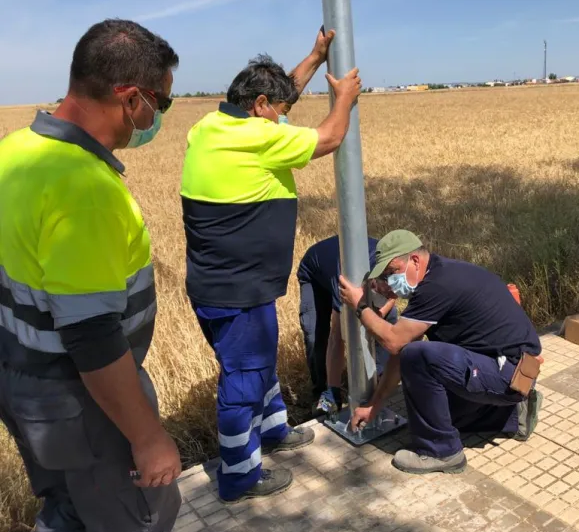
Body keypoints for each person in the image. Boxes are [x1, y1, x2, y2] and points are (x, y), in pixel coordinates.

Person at [0, 19, 181, 532]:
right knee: (137, 524)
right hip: (85, 405)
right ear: (130, 99)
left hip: (25, 388)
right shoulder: (83, 189)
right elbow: (92, 335)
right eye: (160, 105)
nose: (158, 118)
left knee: (67, 514)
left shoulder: (17, 152)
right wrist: (147, 438)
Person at [180, 27, 362, 502]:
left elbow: (283, 95)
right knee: (243, 379)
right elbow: (329, 137)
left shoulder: (212, 126)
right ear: (259, 105)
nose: (284, 116)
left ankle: (275, 431)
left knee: (260, 365)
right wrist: (343, 97)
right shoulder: (257, 139)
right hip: (235, 291)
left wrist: (316, 57)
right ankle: (240, 476)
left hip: (230, 284)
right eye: (279, 110)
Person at [338, 230, 544, 475]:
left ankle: (442, 452)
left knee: (419, 358)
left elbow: (395, 343)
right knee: (436, 415)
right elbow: (401, 348)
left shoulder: (437, 286)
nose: (388, 280)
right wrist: (375, 404)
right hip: (511, 369)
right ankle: (512, 415)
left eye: (392, 272)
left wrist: (360, 306)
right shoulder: (438, 275)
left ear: (415, 261)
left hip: (508, 371)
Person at [297, 235, 398, 415]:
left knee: (385, 324)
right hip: (316, 273)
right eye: (382, 290)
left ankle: (377, 383)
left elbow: (392, 298)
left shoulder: (393, 267)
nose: (388, 293)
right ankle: (326, 394)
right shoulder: (348, 282)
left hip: (354, 267)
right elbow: (337, 337)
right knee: (316, 336)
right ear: (373, 281)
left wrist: (377, 316)